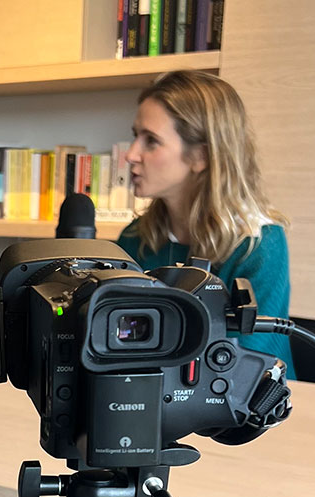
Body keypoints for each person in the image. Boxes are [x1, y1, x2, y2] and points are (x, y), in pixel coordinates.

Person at [117, 70, 295, 374]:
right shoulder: (135, 238)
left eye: (151, 141)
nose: (131, 154)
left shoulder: (259, 245)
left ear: (201, 156)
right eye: (136, 136)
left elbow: (244, 367)